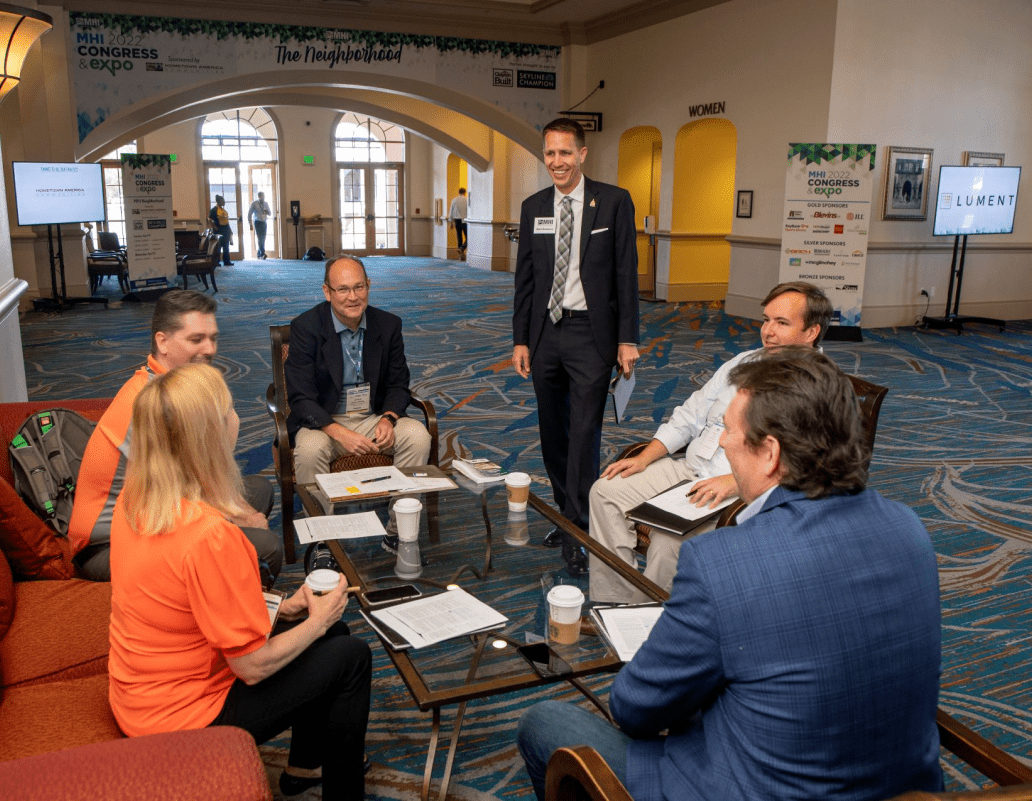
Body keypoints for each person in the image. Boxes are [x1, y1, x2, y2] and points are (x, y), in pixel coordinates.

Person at [517, 347, 943, 801]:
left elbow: (635, 709)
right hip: (899, 786)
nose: (720, 441)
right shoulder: (910, 528)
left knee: (544, 723)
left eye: (730, 431)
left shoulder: (723, 560)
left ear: (770, 454)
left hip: (753, 787)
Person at [108, 363, 371, 801]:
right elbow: (251, 668)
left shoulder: (136, 500)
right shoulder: (210, 537)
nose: (237, 418)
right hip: (183, 716)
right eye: (229, 410)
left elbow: (194, 602)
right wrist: (317, 621)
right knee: (350, 655)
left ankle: (305, 767)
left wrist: (285, 608)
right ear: (211, 435)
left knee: (334, 635)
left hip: (141, 693)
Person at [588, 281, 831, 603]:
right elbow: (689, 416)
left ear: (811, 332)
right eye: (766, 320)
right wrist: (646, 457)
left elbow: (809, 460)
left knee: (668, 541)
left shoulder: (819, 385)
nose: (768, 332)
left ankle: (647, 618)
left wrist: (734, 482)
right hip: (693, 467)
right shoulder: (745, 361)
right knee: (606, 489)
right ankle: (615, 599)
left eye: (782, 323)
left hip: (743, 486)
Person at [69, 290, 282, 583]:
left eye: (213, 338)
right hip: (109, 545)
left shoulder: (171, 385)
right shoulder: (155, 402)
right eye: (196, 339)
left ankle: (230, 591)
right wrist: (242, 517)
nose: (209, 349)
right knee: (265, 547)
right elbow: (189, 487)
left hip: (159, 512)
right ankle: (238, 620)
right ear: (162, 342)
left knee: (259, 490)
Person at [512, 117, 639, 576]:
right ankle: (568, 509)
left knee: (585, 432)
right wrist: (521, 339)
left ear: (582, 154)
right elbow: (525, 280)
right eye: (550, 153)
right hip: (546, 334)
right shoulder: (533, 207)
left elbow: (626, 274)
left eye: (565, 153)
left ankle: (577, 530)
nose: (557, 162)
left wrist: (627, 339)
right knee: (553, 432)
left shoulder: (613, 203)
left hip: (591, 336)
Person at [285, 255, 431, 551]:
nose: (352, 297)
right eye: (342, 289)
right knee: (310, 451)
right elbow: (300, 397)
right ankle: (323, 542)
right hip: (324, 420)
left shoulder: (388, 325)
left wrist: (389, 418)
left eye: (359, 287)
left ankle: (398, 531)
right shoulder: (306, 328)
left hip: (372, 417)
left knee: (417, 436)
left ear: (369, 286)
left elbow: (398, 383)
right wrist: (338, 432)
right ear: (327, 292)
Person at [209, 194, 233, 266]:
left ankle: (227, 261)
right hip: (219, 230)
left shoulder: (223, 210)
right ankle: (216, 262)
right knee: (218, 247)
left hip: (226, 229)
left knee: (226, 246)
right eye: (223, 201)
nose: (224, 202)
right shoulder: (214, 210)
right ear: (219, 201)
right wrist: (214, 227)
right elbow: (209, 219)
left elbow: (226, 221)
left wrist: (230, 230)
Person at [248, 191, 272, 259]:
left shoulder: (265, 203)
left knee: (263, 238)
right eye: (261, 196)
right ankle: (263, 253)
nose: (263, 198)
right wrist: (250, 224)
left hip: (264, 222)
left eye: (264, 196)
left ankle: (259, 254)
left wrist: (267, 212)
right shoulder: (254, 203)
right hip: (257, 222)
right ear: (258, 196)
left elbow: (270, 213)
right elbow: (249, 213)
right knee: (260, 238)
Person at [449, 187, 467, 256]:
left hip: (457, 220)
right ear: (464, 192)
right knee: (468, 237)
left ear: (459, 192)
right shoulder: (466, 200)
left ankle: (460, 252)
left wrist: (451, 222)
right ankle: (462, 248)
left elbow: (451, 211)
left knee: (459, 237)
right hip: (465, 220)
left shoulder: (454, 200)